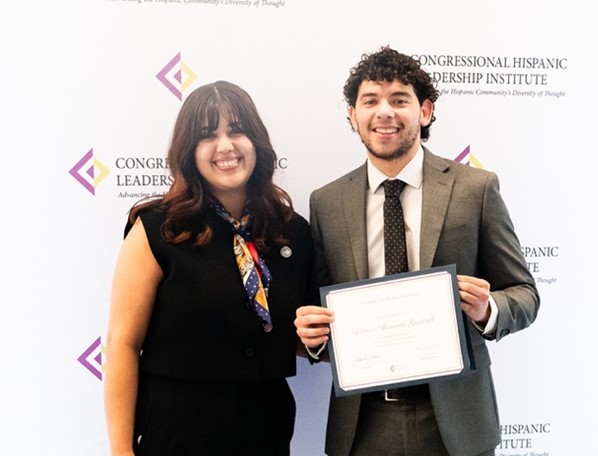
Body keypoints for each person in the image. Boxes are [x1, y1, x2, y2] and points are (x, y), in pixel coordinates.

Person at [294, 47, 540, 456]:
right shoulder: (327, 203)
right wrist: (313, 338)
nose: (384, 112)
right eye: (370, 101)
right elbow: (320, 310)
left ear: (425, 111)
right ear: (352, 117)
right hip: (363, 424)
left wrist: (487, 309)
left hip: (455, 423)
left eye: (399, 100)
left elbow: (525, 294)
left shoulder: (475, 189)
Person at [104, 81, 315, 456]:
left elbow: (300, 336)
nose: (225, 146)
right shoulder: (157, 228)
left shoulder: (291, 230)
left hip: (266, 432)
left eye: (237, 131)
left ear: (257, 142)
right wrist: (121, 452)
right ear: (189, 151)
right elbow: (123, 344)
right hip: (177, 434)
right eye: (207, 135)